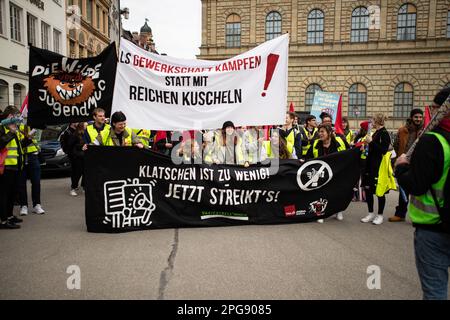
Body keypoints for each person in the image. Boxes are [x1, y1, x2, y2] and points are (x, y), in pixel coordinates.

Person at [395, 87, 450, 300]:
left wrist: (401, 167)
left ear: (439, 109)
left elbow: (416, 185)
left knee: (435, 291)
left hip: (434, 228)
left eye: (434, 108)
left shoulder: (434, 141)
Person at [306, 123, 347, 222]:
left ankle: (339, 211)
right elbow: (308, 157)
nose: (320, 134)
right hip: (320, 173)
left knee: (337, 193)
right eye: (319, 131)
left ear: (329, 133)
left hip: (336, 172)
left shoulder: (340, 142)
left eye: (322, 131)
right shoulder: (315, 143)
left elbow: (349, 153)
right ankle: (320, 213)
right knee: (320, 193)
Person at [389, 108, 424, 222]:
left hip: (418, 164)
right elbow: (396, 146)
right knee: (403, 191)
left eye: (420, 117)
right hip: (403, 164)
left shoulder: (426, 130)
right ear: (411, 117)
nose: (418, 119)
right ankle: (400, 214)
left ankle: (419, 217)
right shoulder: (402, 130)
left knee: (418, 192)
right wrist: (394, 161)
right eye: (416, 117)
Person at [0, 106, 31, 229]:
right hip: (6, 166)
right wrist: (11, 133)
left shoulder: (14, 128)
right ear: (9, 116)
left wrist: (27, 140)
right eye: (15, 116)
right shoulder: (2, 127)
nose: (18, 119)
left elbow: (18, 147)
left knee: (12, 194)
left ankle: (9, 216)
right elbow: (1, 144)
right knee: (4, 195)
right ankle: (3, 220)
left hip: (15, 166)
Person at [361, 113, 392, 225]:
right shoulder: (376, 132)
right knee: (368, 190)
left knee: (379, 192)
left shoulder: (384, 133)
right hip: (369, 165)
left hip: (378, 167)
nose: (371, 122)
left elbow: (383, 150)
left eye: (373, 120)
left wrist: (371, 142)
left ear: (378, 121)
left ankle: (380, 215)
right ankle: (370, 213)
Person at [17, 124, 45, 215]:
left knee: (36, 182)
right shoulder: (17, 127)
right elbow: (20, 143)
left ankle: (37, 204)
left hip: (33, 156)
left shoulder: (33, 125)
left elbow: (37, 139)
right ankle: (23, 205)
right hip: (22, 157)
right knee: (21, 183)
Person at [68, 122, 87, 196]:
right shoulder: (75, 135)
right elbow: (71, 146)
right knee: (77, 173)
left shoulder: (86, 134)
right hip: (77, 157)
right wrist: (80, 147)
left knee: (85, 173)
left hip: (84, 156)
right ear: (81, 126)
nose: (87, 127)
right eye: (85, 126)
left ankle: (84, 187)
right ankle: (73, 188)